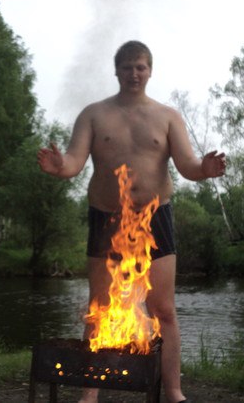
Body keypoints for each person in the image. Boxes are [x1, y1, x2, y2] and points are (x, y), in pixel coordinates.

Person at [37, 40, 225, 403]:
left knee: (163, 311)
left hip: (155, 219)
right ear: (116, 71)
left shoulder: (168, 116)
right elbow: (73, 162)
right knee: (99, 308)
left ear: (150, 71)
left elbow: (187, 166)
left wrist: (205, 168)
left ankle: (174, 392)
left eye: (140, 67)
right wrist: (59, 167)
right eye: (127, 67)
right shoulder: (94, 114)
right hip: (107, 219)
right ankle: (89, 395)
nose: (134, 73)